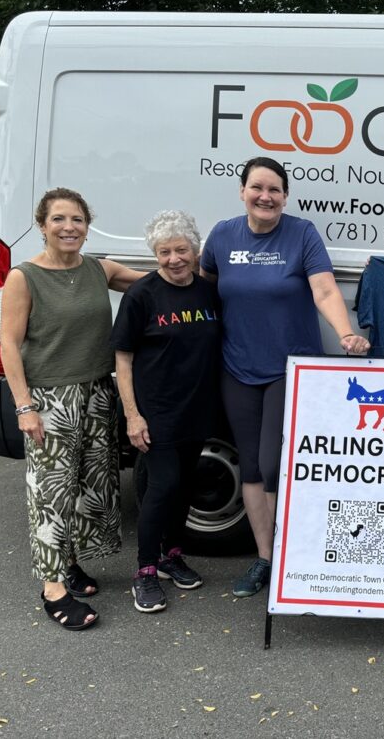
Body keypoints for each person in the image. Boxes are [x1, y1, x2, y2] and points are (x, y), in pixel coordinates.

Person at [200, 157, 370, 597]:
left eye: (274, 189)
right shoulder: (222, 235)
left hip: (290, 368)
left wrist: (346, 331)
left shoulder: (301, 233)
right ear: (242, 192)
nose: (265, 196)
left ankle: (294, 556)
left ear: (285, 196)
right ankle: (266, 560)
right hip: (237, 366)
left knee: (277, 466)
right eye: (257, 187)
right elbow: (203, 287)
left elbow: (325, 288)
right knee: (252, 467)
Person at [1, 188, 142, 630]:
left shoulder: (98, 269)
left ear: (87, 225)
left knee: (87, 488)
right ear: (42, 224)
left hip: (100, 391)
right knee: (51, 494)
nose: (69, 228)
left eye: (77, 220)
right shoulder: (24, 277)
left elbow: (156, 282)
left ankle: (71, 564)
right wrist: (24, 407)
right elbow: (8, 344)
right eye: (59, 219)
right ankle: (52, 587)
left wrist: (206, 273)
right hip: (50, 398)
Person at [112, 211, 221, 613]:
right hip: (155, 411)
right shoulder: (143, 294)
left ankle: (170, 556)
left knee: (184, 485)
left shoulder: (208, 293)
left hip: (196, 408)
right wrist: (132, 416)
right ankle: (144, 571)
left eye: (181, 250)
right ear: (154, 255)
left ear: (195, 252)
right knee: (163, 486)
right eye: (164, 252)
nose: (174, 259)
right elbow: (123, 358)